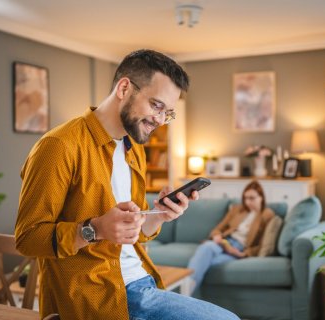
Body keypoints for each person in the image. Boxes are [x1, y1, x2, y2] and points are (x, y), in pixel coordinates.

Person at [15, 49, 239, 320]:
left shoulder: (134, 150)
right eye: (156, 105)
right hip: (98, 296)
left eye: (168, 113)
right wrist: (94, 229)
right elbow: (28, 238)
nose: (159, 120)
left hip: (142, 282)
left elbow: (134, 231)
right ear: (124, 88)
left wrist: (160, 216)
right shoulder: (59, 146)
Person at [187, 180, 276, 294]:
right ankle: (188, 293)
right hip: (224, 242)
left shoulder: (267, 215)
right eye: (245, 198)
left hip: (237, 249)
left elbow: (263, 244)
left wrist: (243, 254)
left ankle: (187, 292)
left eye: (252, 198)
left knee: (207, 262)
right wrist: (217, 236)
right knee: (207, 248)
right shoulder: (237, 209)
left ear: (261, 197)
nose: (248, 202)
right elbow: (217, 229)